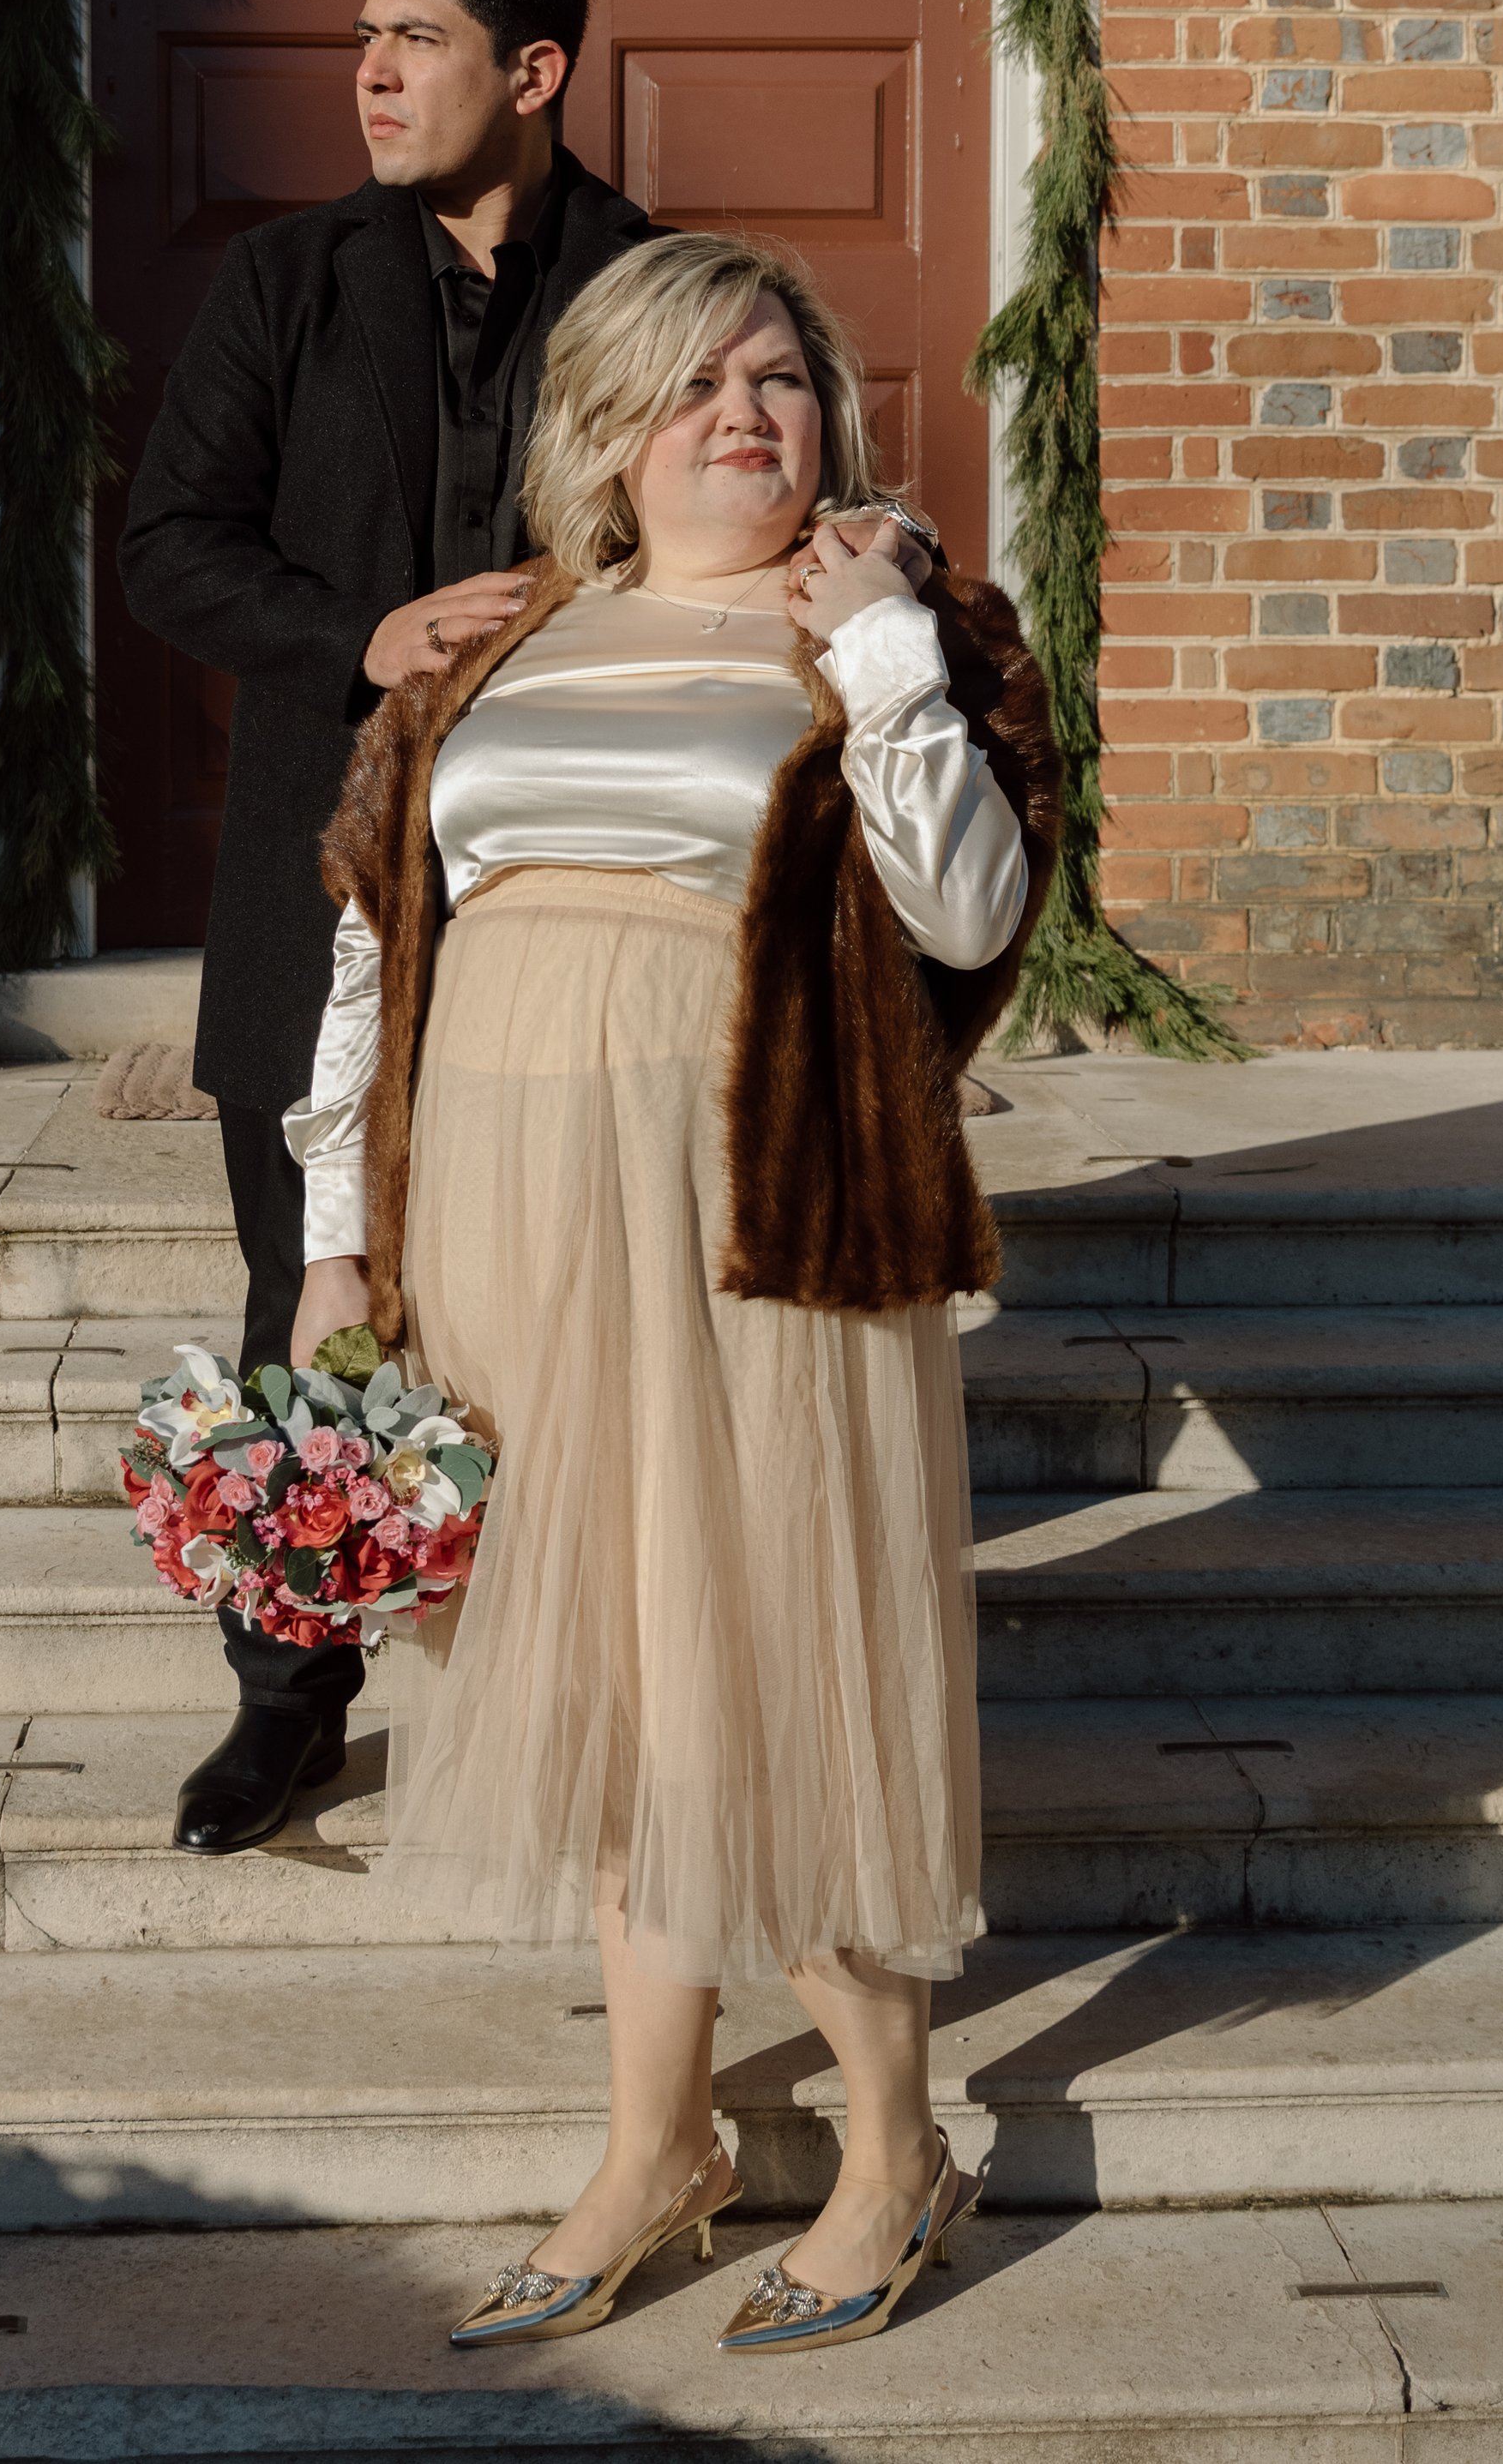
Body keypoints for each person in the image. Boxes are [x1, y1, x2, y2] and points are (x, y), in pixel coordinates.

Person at [292, 232, 1060, 2353]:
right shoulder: (502, 636)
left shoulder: (894, 627)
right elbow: (375, 942)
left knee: (775, 1669)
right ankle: (657, 2142)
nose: (742, 415)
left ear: (829, 422)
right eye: (693, 383)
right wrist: (335, 1235)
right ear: (607, 429)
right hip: (504, 1216)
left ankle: (891, 2150)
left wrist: (884, 645)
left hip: (754, 1217)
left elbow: (967, 910)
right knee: (616, 1680)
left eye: (777, 381)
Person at [118, 0, 658, 1855]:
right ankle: (286, 1700)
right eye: (366, 35)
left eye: (415, 37)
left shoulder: (652, 286)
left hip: (566, 894)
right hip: (317, 889)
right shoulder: (283, 281)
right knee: (310, 1291)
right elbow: (168, 548)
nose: (368, 72)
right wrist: (363, 635)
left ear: (532, 72)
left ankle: (578, 1687)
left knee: (569, 1294)